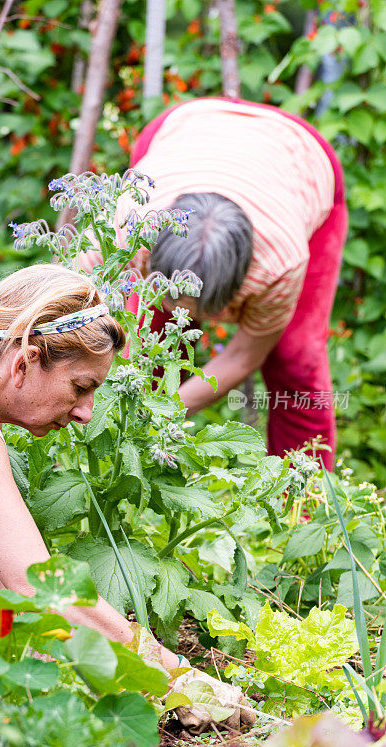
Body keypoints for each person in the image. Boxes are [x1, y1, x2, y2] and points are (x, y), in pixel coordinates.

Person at [0, 262, 254, 731]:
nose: (86, 413)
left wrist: (46, 670)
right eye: (80, 388)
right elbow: (35, 582)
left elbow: (1, 583)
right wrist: (177, 679)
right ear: (25, 361)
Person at [82, 97, 348, 471]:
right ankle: (125, 482)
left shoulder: (280, 261)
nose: (183, 315)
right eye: (171, 296)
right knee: (141, 345)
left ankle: (306, 507)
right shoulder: (130, 222)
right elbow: (70, 296)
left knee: (295, 359)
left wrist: (163, 415)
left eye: (198, 306)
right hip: (183, 129)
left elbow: (244, 355)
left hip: (300, 159)